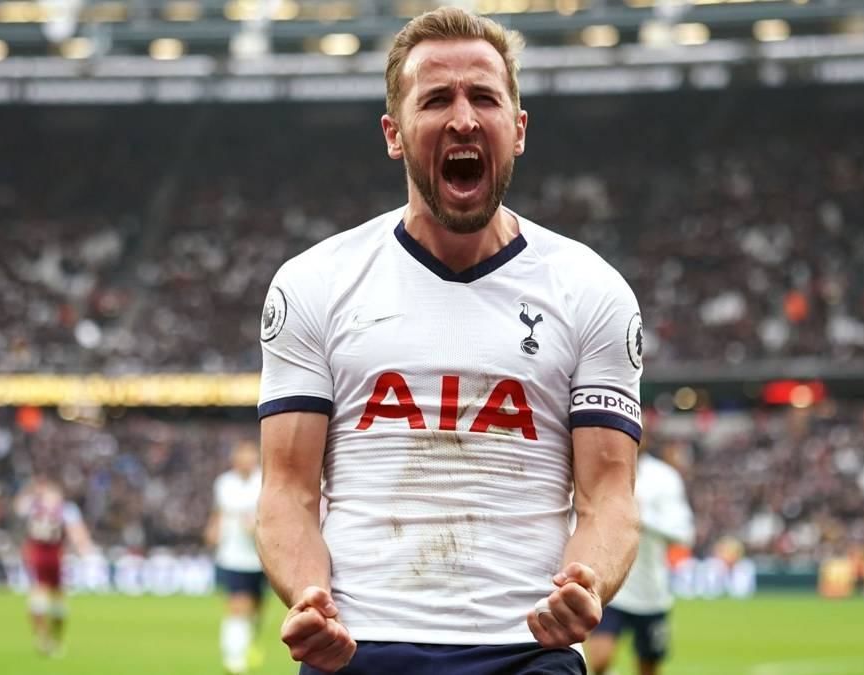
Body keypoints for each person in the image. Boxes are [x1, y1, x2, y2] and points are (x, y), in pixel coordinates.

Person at [256, 7, 644, 673]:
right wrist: (308, 596)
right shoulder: (313, 284)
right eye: (436, 98)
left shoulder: (591, 290)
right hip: (359, 645)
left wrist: (588, 580)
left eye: (484, 97)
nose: (463, 118)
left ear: (517, 130)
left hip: (528, 647)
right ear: (395, 134)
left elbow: (610, 494)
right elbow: (287, 490)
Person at [586, 439, 695, 675]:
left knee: (648, 667)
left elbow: (684, 533)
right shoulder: (602, 469)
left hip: (651, 592)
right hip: (613, 585)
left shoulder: (664, 477)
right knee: (600, 659)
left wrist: (642, 518)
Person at [14, 474, 95, 657]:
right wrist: (85, 549)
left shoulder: (34, 506)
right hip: (54, 555)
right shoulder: (66, 509)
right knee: (56, 597)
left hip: (37, 554)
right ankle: (54, 639)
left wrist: (30, 489)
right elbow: (77, 532)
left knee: (40, 593)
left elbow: (18, 507)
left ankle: (43, 637)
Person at [205, 440, 267, 674]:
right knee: (237, 605)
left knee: (256, 608)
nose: (247, 460)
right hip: (232, 555)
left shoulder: (263, 481)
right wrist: (212, 529)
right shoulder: (224, 483)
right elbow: (219, 512)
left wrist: (258, 525)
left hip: (260, 556)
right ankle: (234, 659)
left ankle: (247, 641)